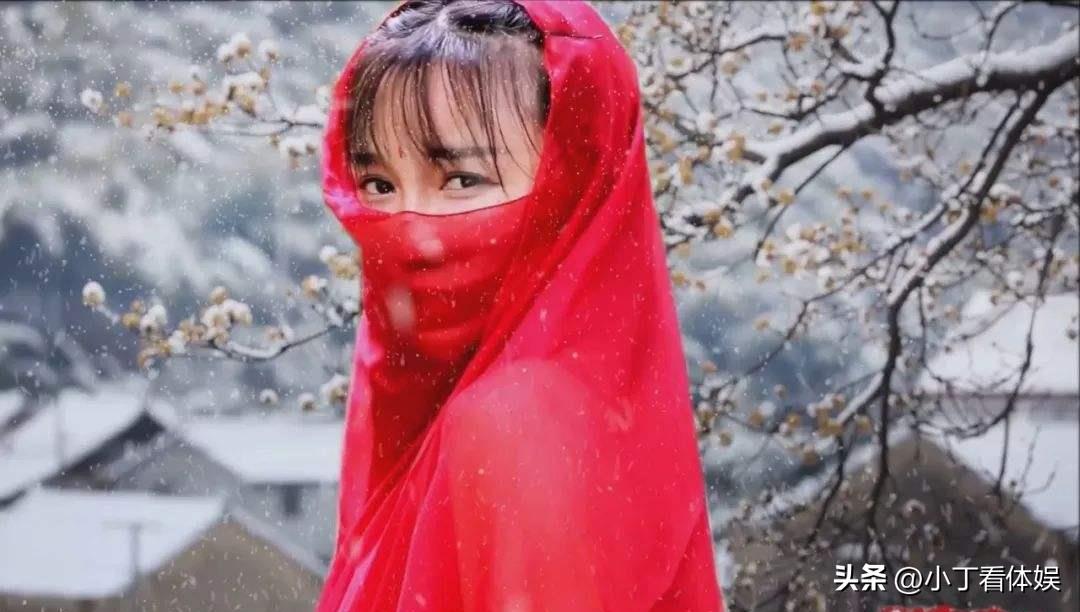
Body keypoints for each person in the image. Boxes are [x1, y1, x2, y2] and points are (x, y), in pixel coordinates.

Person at [318, 1, 725, 610]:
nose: (411, 228)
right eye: (379, 185)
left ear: (574, 182)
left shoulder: (515, 423)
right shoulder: (558, 411)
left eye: (462, 180)